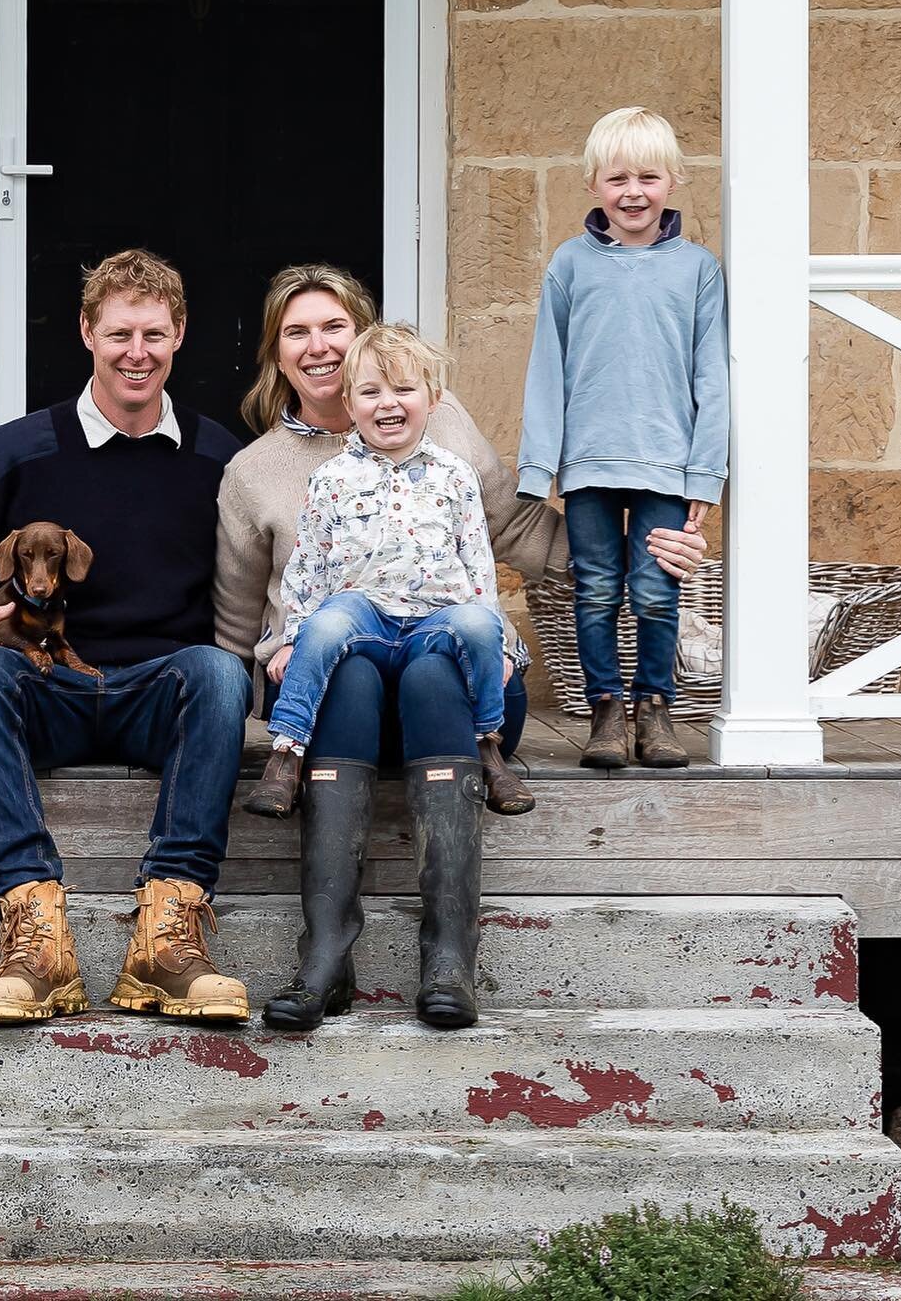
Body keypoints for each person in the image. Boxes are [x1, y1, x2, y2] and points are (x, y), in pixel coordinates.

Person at [214, 263, 708, 1032]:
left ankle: (448, 958)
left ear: (367, 340)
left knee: (435, 668)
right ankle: (325, 958)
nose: (318, 346)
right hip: (334, 683)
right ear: (276, 356)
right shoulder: (254, 472)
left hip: (452, 677)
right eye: (297, 333)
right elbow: (241, 620)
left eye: (334, 327)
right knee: (344, 668)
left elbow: (511, 532)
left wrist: (643, 553)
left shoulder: (443, 434)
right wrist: (261, 684)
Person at [0, 249, 251, 1028]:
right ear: (88, 333)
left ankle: (171, 932)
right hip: (42, 695)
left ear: (181, 335)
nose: (138, 352)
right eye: (120, 332)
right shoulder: (13, 451)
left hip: (158, 693)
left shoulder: (220, 457)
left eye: (154, 334)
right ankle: (35, 936)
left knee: (222, 674)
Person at [517, 107, 729, 773]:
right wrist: (537, 467)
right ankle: (607, 709)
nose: (633, 192)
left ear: (673, 182)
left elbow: (712, 377)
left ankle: (655, 708)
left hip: (668, 462)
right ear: (592, 185)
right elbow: (546, 368)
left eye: (648, 177)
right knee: (598, 588)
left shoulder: (697, 270)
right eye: (617, 178)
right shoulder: (571, 265)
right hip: (588, 463)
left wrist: (705, 476)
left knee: (657, 589)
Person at [246, 322, 515, 812]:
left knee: (479, 623)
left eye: (404, 389)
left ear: (432, 399)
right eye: (370, 391)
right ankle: (286, 756)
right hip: (364, 619)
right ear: (350, 405)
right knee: (327, 621)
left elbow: (478, 563)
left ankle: (487, 746)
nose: (387, 403)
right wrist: (292, 638)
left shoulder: (456, 476)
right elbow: (307, 567)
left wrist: (498, 647)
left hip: (434, 622)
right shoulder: (330, 479)